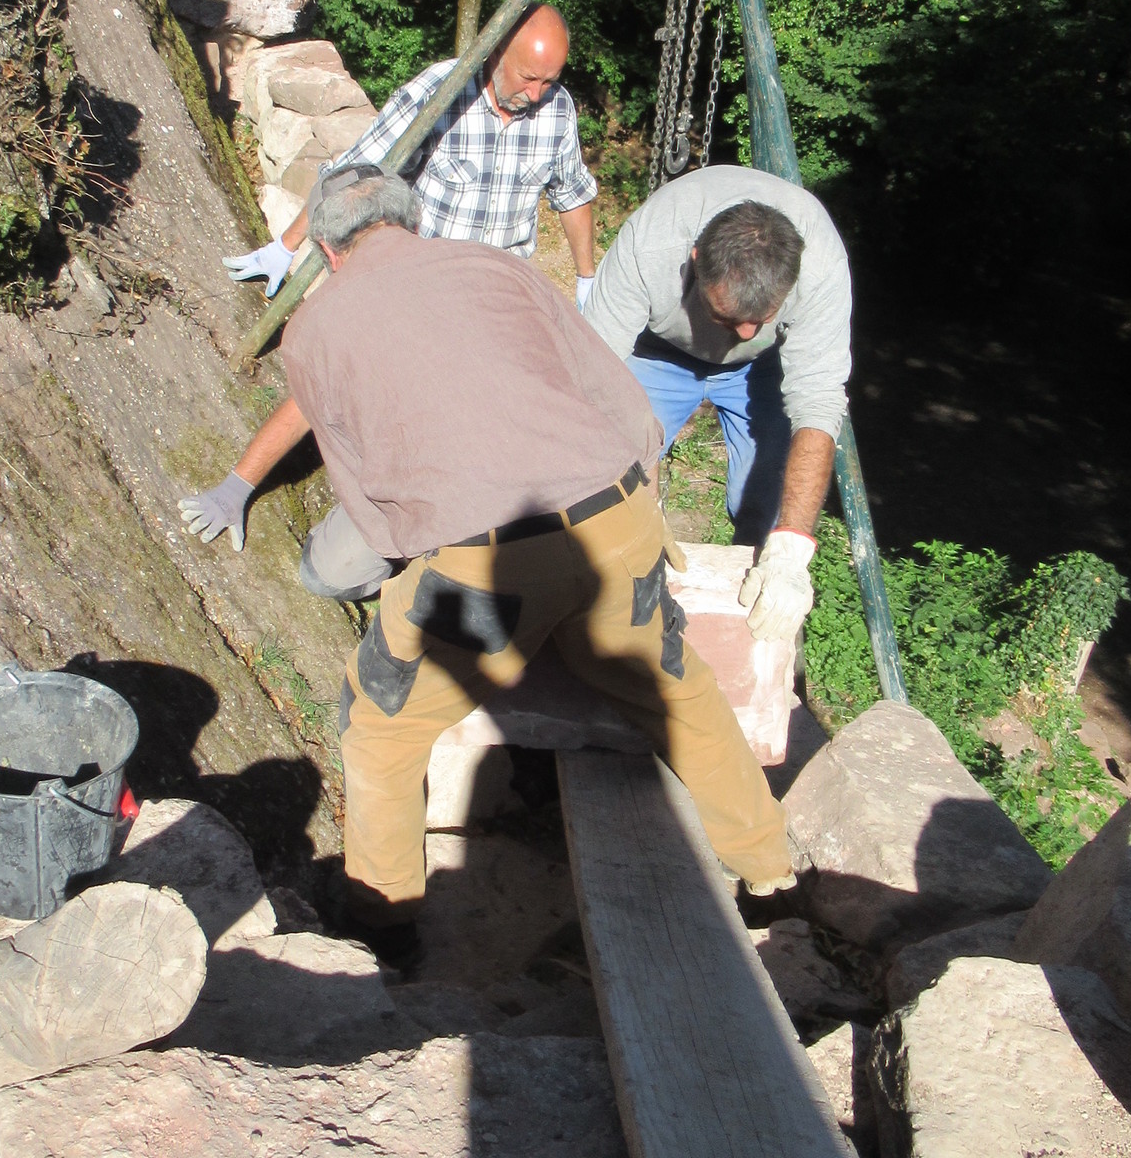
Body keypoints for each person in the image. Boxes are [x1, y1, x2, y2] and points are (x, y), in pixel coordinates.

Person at [277, 161, 796, 960]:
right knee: (677, 692)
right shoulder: (495, 266)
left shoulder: (312, 330)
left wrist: (415, 572)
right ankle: (770, 874)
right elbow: (622, 404)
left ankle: (383, 927)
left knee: (381, 725)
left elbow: (369, 501)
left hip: (486, 568)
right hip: (618, 522)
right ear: (411, 222)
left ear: (327, 249)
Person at [183, 6, 599, 594]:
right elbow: (356, 172)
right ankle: (387, 522)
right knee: (378, 392)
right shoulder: (441, 93)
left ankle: (478, 536)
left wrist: (586, 277)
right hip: (420, 288)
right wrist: (288, 244)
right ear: (497, 51)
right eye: (529, 78)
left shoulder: (556, 110)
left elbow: (573, 192)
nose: (536, 93)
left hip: (496, 295)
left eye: (549, 81)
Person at [581, 167, 851, 645]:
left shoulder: (819, 264)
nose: (742, 333)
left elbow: (819, 402)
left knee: (767, 503)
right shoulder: (652, 244)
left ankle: (759, 637)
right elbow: (593, 376)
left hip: (763, 367)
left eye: (760, 318)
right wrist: (640, 501)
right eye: (728, 317)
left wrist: (791, 549)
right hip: (657, 353)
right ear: (695, 262)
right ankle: (623, 610)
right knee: (617, 490)